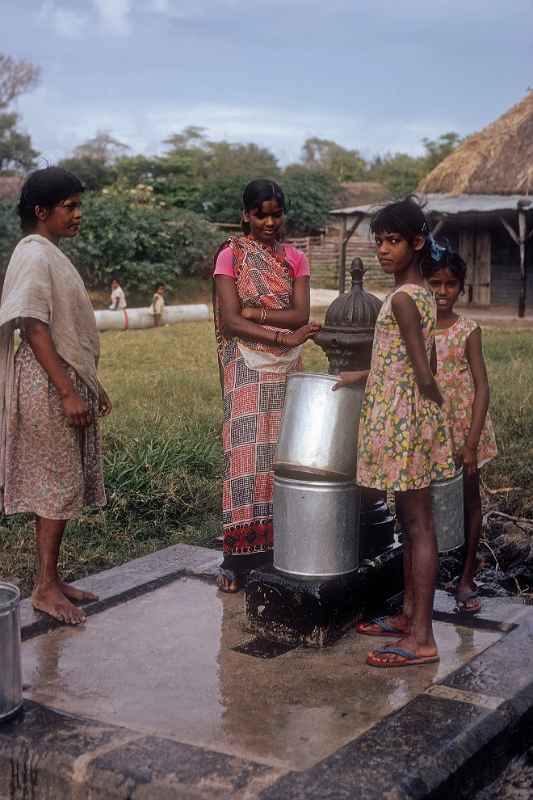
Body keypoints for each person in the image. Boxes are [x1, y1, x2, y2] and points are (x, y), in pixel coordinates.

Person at [334, 196, 455, 667]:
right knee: (409, 522)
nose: (383, 250)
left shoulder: (404, 299)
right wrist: (360, 376)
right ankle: (407, 615)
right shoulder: (419, 295)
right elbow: (406, 363)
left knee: (419, 525)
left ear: (417, 243)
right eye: (379, 241)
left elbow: (425, 374)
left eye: (393, 241)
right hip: (404, 415)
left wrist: (437, 418)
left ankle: (422, 638)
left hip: (405, 423)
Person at [0, 166, 111, 625]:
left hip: (57, 381)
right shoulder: (34, 253)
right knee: (56, 485)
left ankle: (51, 577)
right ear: (42, 212)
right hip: (48, 385)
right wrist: (67, 391)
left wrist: (83, 385)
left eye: (78, 205)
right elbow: (33, 323)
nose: (78, 214)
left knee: (58, 485)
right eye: (70, 206)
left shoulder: (48, 252)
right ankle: (45, 588)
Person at [213, 178, 320, 593]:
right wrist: (277, 331)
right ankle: (236, 558)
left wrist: (253, 314)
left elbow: (301, 314)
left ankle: (283, 550)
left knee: (284, 455)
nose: (270, 222)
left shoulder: (296, 258)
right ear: (246, 215)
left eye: (277, 214)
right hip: (248, 367)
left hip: (288, 367)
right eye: (261, 214)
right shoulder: (230, 257)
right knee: (245, 456)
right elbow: (229, 320)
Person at [426, 250, 497, 613]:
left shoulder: (468, 330)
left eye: (450, 284)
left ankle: (466, 576)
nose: (442, 290)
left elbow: (482, 387)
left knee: (470, 499)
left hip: (463, 428)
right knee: (423, 502)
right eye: (435, 283)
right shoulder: (416, 327)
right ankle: (423, 575)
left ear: (461, 288)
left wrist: (471, 442)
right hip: (427, 428)